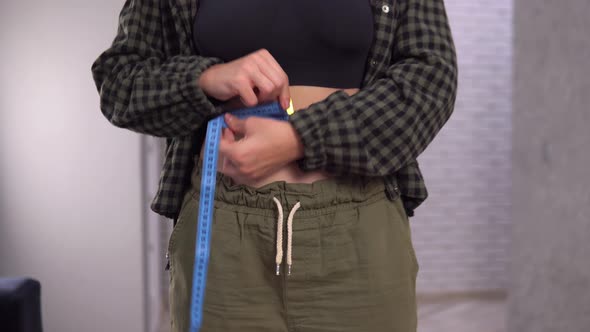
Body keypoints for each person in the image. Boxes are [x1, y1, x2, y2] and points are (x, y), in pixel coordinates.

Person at [91, 0, 457, 331]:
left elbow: (432, 81)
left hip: (360, 231)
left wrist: (299, 138)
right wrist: (204, 79)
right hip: (222, 235)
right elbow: (119, 82)